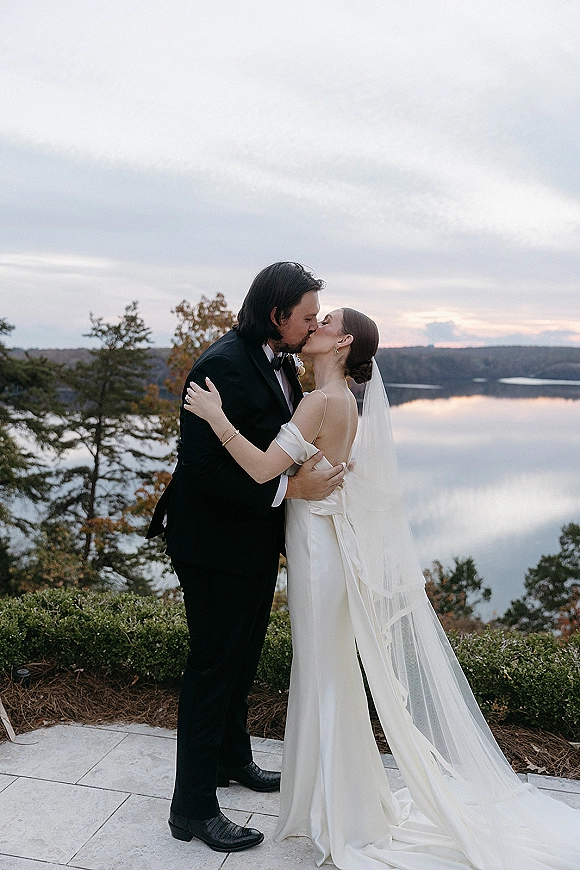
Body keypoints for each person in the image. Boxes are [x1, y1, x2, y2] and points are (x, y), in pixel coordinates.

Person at [185, 306, 580, 869]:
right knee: (327, 673)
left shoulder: (322, 400)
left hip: (317, 552)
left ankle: (337, 812)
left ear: (342, 341)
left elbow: (260, 470)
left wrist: (216, 417)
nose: (313, 326)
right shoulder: (342, 400)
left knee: (322, 675)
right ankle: (337, 800)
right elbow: (318, 470)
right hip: (324, 544)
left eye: (324, 322)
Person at [146, 262, 346, 853]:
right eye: (307, 316)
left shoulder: (281, 358)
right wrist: (288, 490)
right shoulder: (221, 366)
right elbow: (203, 473)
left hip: (253, 538)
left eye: (317, 318)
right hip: (212, 543)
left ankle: (233, 760)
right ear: (276, 314)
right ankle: (193, 809)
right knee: (212, 666)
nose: (312, 325)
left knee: (241, 656)